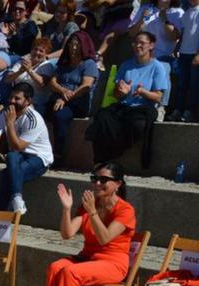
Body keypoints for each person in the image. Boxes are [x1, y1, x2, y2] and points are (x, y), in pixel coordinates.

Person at [39, 163, 135, 286]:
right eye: (95, 179)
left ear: (118, 184)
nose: (97, 183)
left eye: (104, 180)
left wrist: (92, 212)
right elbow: (67, 234)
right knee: (56, 267)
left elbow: (104, 237)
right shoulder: (89, 206)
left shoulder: (125, 210)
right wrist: (67, 209)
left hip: (113, 263)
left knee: (70, 272)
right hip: (88, 258)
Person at [85, 32, 169, 170]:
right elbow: (117, 95)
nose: (138, 46)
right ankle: (99, 160)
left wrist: (143, 92)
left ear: (151, 45)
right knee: (102, 116)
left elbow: (158, 96)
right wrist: (121, 91)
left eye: (142, 43)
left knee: (138, 125)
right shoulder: (126, 65)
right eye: (136, 42)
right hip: (125, 106)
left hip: (144, 107)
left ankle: (114, 153)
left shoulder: (157, 67)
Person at [0, 82, 53, 215]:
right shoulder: (6, 112)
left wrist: (10, 123)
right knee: (11, 157)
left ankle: (0, 206)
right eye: (11, 97)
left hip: (38, 158)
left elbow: (18, 146)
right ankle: (16, 199)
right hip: (17, 156)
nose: (12, 101)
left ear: (28, 101)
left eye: (17, 98)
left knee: (9, 173)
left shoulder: (33, 119)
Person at [48, 31, 99, 160]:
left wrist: (65, 98)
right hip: (59, 98)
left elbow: (86, 86)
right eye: (71, 44)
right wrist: (63, 92)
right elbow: (52, 82)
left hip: (79, 102)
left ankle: (59, 153)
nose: (74, 47)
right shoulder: (64, 62)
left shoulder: (89, 64)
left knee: (60, 115)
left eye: (77, 44)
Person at [4, 37, 54, 114]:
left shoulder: (47, 66)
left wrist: (29, 70)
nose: (37, 52)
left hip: (35, 104)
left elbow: (42, 83)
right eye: (35, 49)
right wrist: (20, 71)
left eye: (41, 51)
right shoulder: (22, 61)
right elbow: (7, 80)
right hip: (15, 101)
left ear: (46, 54)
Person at [171, 0, 199, 122]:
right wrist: (177, 48)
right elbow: (184, 34)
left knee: (194, 85)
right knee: (182, 85)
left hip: (194, 54)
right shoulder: (186, 12)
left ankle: (190, 112)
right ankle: (178, 110)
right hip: (183, 54)